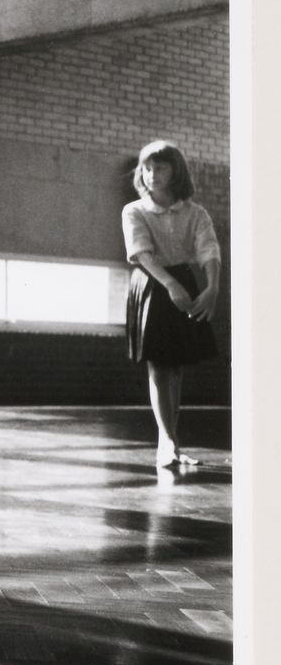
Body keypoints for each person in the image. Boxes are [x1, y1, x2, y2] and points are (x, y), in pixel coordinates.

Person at [121, 139, 221, 469]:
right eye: (147, 168)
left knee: (175, 367)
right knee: (159, 366)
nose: (152, 174)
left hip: (183, 281)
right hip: (152, 283)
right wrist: (170, 284)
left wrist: (213, 288)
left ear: (175, 170)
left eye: (160, 167)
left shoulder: (195, 213)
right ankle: (166, 442)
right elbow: (142, 255)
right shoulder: (134, 211)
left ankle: (173, 442)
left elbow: (209, 251)